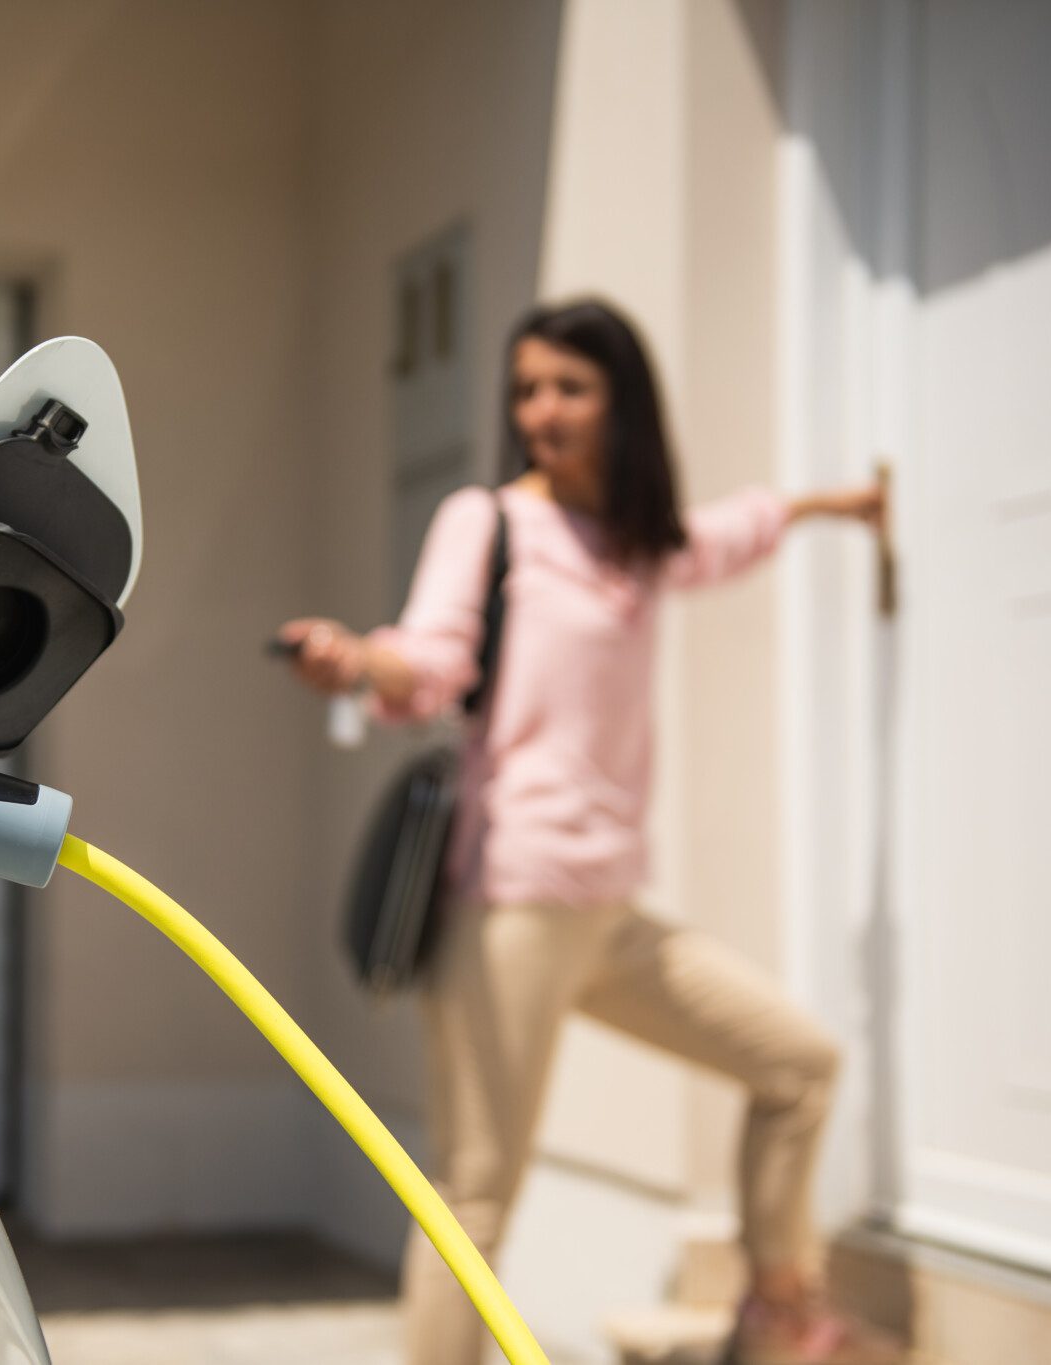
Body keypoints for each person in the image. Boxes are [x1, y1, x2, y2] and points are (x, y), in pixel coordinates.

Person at [276, 299, 898, 1365]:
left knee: (795, 1066)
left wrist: (842, 506)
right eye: (525, 389)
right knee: (474, 1198)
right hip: (509, 902)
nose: (540, 411)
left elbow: (731, 530)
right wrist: (357, 660)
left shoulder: (639, 544)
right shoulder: (491, 522)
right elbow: (431, 659)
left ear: (622, 405)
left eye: (568, 388)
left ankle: (774, 1316)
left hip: (605, 913)